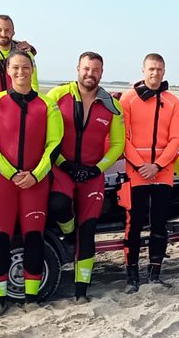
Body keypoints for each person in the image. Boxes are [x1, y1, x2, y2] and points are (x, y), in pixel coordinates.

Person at [0, 51, 63, 316]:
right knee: (0, 237)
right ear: (8, 71)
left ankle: (32, 297)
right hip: (3, 182)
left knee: (33, 237)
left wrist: (36, 174)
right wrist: (11, 173)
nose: (21, 72)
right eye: (16, 67)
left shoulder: (47, 105)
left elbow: (55, 145)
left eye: (26, 67)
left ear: (32, 70)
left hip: (35, 183)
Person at [47, 52, 124, 303]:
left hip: (92, 173)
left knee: (88, 230)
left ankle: (81, 289)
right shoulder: (57, 96)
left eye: (96, 70)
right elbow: (46, 134)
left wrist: (98, 168)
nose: (90, 74)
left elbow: (117, 144)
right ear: (78, 69)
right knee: (58, 206)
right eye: (86, 69)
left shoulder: (112, 105)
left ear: (102, 73)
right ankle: (69, 234)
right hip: (63, 168)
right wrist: (62, 163)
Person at [119, 53, 179, 292]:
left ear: (164, 71)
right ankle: (132, 275)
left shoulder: (173, 101)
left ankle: (155, 273)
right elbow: (122, 138)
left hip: (163, 172)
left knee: (159, 223)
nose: (155, 73)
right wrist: (140, 166)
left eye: (159, 69)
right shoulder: (128, 99)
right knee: (134, 223)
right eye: (151, 69)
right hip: (136, 172)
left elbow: (177, 138)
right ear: (143, 70)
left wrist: (157, 165)